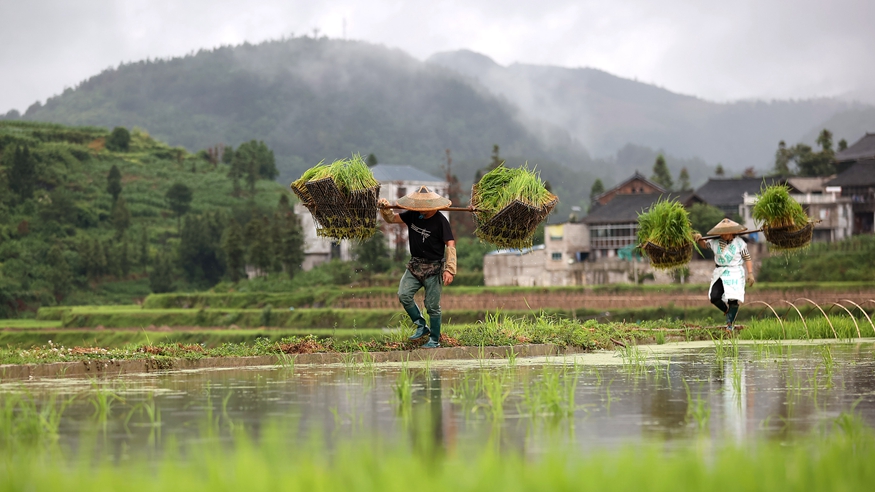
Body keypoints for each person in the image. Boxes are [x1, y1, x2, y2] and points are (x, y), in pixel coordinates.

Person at [378, 186, 457, 348]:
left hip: (433, 268)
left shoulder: (441, 221)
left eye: (424, 209)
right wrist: (385, 209)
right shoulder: (414, 214)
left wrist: (450, 269)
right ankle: (421, 325)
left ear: (432, 207)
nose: (421, 211)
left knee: (432, 306)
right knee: (403, 294)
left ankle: (434, 340)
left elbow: (450, 243)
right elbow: (392, 219)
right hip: (415, 265)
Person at [693, 218, 755, 331]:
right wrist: (699, 239)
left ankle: (730, 324)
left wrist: (750, 273)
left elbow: (747, 258)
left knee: (733, 298)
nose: (723, 235)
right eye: (721, 233)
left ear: (731, 232)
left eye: (725, 233)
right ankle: (727, 311)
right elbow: (705, 245)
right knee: (714, 297)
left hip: (735, 273)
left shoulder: (740, 243)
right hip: (721, 272)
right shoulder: (715, 242)